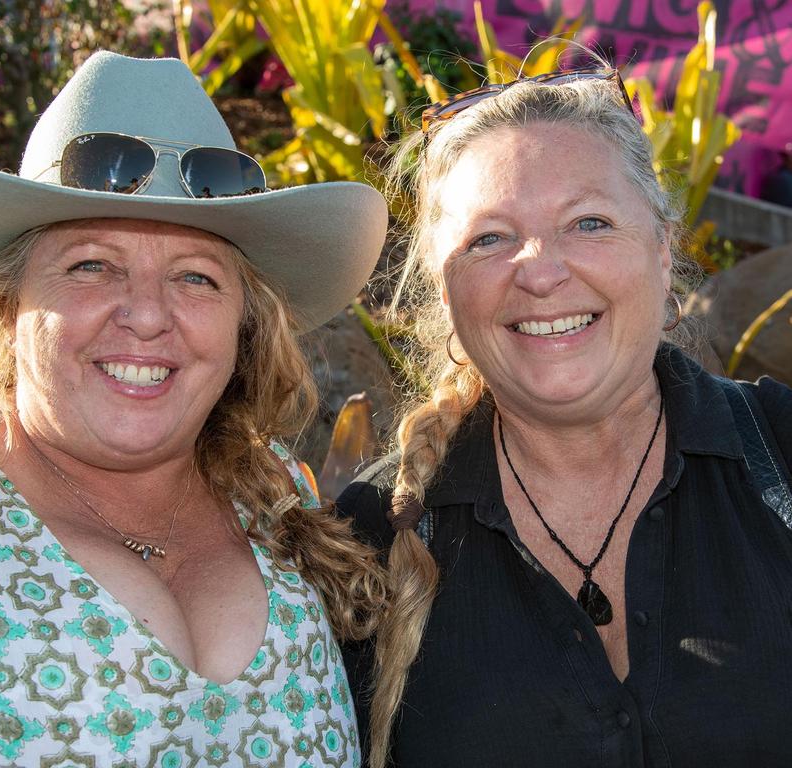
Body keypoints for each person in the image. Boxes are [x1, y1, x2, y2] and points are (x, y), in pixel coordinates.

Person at [0, 52, 389, 765]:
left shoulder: (275, 495)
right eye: (91, 265)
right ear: (6, 306)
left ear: (244, 325)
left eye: (195, 277)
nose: (148, 316)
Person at [339, 66, 792, 767]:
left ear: (662, 249)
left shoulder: (782, 454)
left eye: (588, 223)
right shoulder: (367, 539)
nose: (540, 270)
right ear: (442, 284)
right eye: (489, 238)